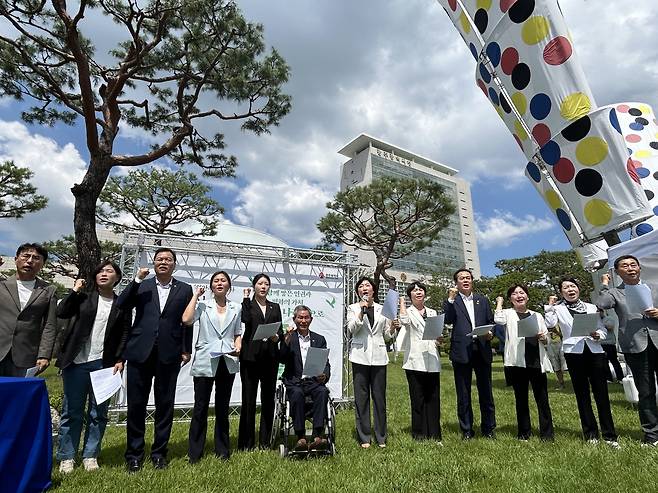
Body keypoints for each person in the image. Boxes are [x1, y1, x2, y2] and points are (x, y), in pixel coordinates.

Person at [117, 247, 193, 472]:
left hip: (169, 354)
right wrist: (136, 280)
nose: (163, 262)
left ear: (174, 264)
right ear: (154, 263)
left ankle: (159, 453)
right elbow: (122, 304)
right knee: (136, 405)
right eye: (159, 259)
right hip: (140, 351)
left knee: (165, 405)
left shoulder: (185, 289)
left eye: (168, 259)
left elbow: (187, 321)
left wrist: (186, 348)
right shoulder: (143, 285)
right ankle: (134, 455)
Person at [55, 261, 132, 473]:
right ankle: (67, 456)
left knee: (99, 413)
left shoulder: (121, 304)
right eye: (100, 271)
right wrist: (74, 291)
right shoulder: (84, 297)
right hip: (77, 362)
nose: (103, 274)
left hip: (104, 364)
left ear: (117, 278)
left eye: (109, 271)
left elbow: (125, 332)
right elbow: (62, 312)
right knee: (72, 411)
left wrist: (120, 358)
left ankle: (90, 455)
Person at [545, 278, 618, 448]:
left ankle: (610, 436)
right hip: (574, 352)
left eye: (573, 286)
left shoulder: (592, 307)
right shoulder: (557, 309)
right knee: (582, 394)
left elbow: (603, 328)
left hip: (595, 351)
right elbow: (550, 324)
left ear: (578, 289)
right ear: (561, 292)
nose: (570, 290)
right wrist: (549, 306)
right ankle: (590, 434)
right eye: (566, 288)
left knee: (602, 394)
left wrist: (598, 335)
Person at [597, 255, 658, 446]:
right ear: (617, 272)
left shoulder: (653, 286)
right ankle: (652, 434)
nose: (630, 268)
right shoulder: (615, 292)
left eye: (633, 265)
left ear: (639, 268)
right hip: (635, 345)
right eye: (625, 266)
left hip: (657, 339)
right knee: (645, 391)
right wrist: (605, 284)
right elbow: (602, 304)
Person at [183, 271, 242, 463]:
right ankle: (195, 453)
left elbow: (237, 333)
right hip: (206, 359)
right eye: (215, 281)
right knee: (200, 406)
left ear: (228, 286)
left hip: (227, 359)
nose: (219, 283)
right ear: (211, 286)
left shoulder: (237, 307)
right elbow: (187, 320)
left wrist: (238, 346)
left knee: (223, 407)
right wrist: (195, 296)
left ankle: (222, 450)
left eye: (223, 280)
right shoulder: (202, 305)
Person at [495, 284, 554, 441]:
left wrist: (543, 338)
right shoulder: (508, 313)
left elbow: (547, 339)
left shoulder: (537, 315)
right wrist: (499, 302)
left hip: (536, 360)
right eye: (514, 294)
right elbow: (498, 320)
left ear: (527, 297)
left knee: (542, 399)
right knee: (521, 399)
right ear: (511, 299)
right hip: (517, 362)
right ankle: (524, 433)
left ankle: (547, 434)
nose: (519, 295)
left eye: (522, 293)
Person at [443, 268, 496, 440]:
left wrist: (490, 334)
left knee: (486, 392)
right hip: (461, 351)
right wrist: (450, 299)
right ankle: (467, 430)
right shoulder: (453, 301)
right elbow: (448, 320)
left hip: (482, 349)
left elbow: (490, 322)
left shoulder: (483, 300)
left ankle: (489, 429)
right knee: (463, 393)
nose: (465, 280)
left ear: (472, 281)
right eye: (461, 278)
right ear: (456, 283)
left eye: (468, 278)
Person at [347, 276, 395, 448]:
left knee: (379, 398)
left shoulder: (384, 309)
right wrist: (361, 310)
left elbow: (387, 335)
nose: (364, 288)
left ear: (373, 290)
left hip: (379, 357)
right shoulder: (353, 308)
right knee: (362, 398)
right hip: (359, 356)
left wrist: (393, 328)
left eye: (367, 285)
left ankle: (381, 436)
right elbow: (352, 329)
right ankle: (364, 437)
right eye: (361, 286)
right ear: (358, 292)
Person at [238, 273, 283, 450]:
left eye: (266, 284)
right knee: (248, 400)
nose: (263, 287)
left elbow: (279, 330)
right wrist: (246, 299)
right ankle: (246, 443)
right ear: (254, 286)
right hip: (250, 358)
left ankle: (265, 441)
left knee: (268, 400)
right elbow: (246, 320)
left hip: (270, 358)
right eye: (260, 283)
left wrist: (276, 337)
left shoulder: (275, 307)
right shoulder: (248, 305)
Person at [0, 243, 58, 377]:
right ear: (16, 259)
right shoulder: (1, 284)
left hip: (25, 355)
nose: (30, 261)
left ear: (42, 264)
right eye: (26, 256)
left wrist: (44, 355)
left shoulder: (48, 290)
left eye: (36, 258)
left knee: (17, 396)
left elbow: (49, 326)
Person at [280, 305, 331, 452]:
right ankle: (300, 437)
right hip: (294, 381)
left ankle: (317, 436)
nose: (303, 320)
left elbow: (325, 363)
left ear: (311, 319)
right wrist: (286, 341)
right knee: (296, 394)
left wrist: (325, 375)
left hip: (313, 381)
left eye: (306, 317)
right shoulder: (289, 337)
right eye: (300, 318)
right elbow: (281, 358)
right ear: (294, 319)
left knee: (322, 392)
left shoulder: (319, 339)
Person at [398, 281, 442, 442]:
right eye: (415, 290)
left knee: (433, 397)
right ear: (410, 295)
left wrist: (439, 339)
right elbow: (404, 321)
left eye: (421, 290)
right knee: (418, 398)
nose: (418, 292)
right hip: (415, 359)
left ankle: (435, 434)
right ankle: (419, 434)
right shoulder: (407, 311)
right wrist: (402, 303)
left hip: (431, 357)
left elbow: (435, 331)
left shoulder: (432, 311)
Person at [545, 295, 567, 390]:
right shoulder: (547, 316)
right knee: (556, 365)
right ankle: (561, 383)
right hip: (551, 343)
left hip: (562, 343)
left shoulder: (562, 317)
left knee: (566, 365)